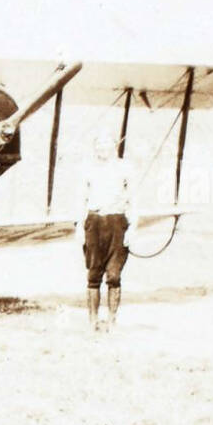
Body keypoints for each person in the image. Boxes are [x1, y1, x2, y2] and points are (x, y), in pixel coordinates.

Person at [74, 134, 136, 331]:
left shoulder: (125, 168)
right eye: (99, 143)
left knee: (114, 275)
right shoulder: (87, 169)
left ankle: (112, 321)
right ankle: (92, 322)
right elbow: (80, 199)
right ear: (95, 147)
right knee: (93, 274)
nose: (103, 147)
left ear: (114, 145)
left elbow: (134, 201)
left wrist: (133, 228)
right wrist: (79, 227)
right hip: (94, 222)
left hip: (117, 221)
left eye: (106, 143)